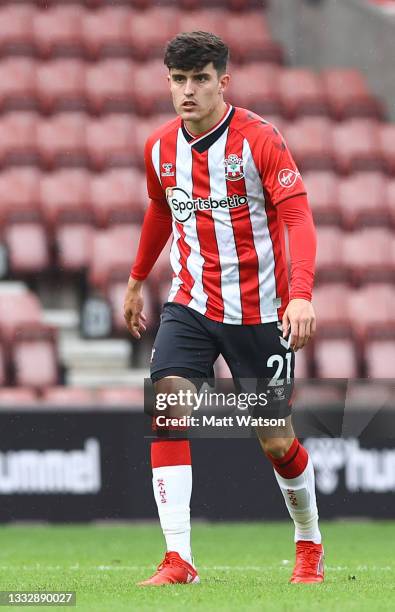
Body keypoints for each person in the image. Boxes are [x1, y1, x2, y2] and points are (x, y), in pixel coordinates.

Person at [124, 31, 323, 587]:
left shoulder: (259, 140)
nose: (188, 91)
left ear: (222, 82)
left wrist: (301, 293)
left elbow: (298, 218)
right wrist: (139, 279)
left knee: (275, 440)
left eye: (200, 79)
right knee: (167, 408)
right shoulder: (160, 148)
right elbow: (161, 212)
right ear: (169, 82)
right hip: (190, 304)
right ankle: (178, 559)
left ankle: (309, 543)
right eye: (179, 80)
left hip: (261, 313)